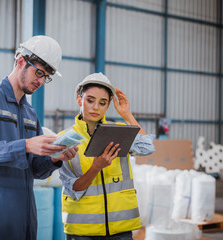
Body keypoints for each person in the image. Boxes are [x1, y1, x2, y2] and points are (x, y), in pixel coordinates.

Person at [0, 35, 78, 240]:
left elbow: (35, 170)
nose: (42, 81)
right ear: (21, 62)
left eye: (47, 77)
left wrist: (54, 158)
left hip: (25, 210)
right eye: (39, 73)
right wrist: (24, 145)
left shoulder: (30, 113)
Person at [59, 73, 155, 240]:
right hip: (82, 232)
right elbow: (72, 189)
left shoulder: (118, 132)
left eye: (102, 103)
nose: (96, 107)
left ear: (108, 105)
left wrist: (127, 115)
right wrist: (96, 167)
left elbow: (147, 147)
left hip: (120, 229)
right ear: (80, 100)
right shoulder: (65, 139)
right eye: (90, 100)